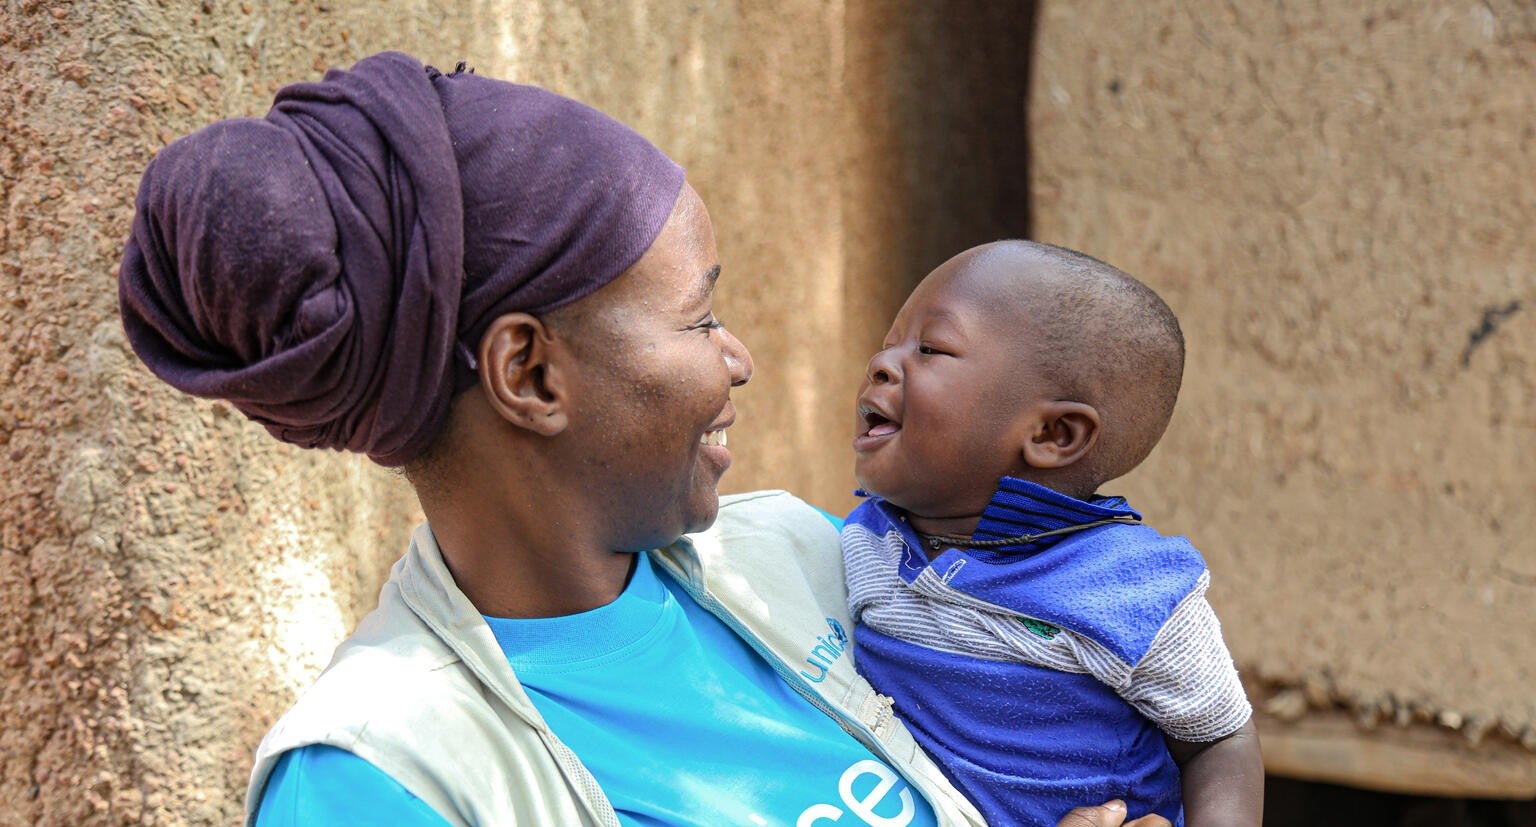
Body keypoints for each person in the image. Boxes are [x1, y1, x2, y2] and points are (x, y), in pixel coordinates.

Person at [118, 51, 1173, 827]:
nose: (739, 358)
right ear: (531, 374)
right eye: (699, 317)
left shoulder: (813, 564)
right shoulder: (380, 779)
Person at [843, 240, 1264, 827]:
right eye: (890, 342)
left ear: (1053, 435)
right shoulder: (867, 541)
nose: (882, 363)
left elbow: (1220, 740)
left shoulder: (1132, 592)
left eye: (930, 348)